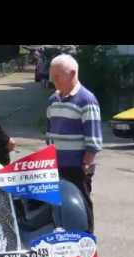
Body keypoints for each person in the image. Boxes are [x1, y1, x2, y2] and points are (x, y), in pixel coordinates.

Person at [46, 54, 103, 233]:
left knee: (81, 205)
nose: (53, 81)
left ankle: (86, 242)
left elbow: (93, 138)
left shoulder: (87, 100)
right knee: (59, 206)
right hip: (55, 165)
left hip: (77, 166)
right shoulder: (53, 100)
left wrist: (87, 163)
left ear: (72, 74)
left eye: (57, 77)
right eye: (52, 76)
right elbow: (49, 132)